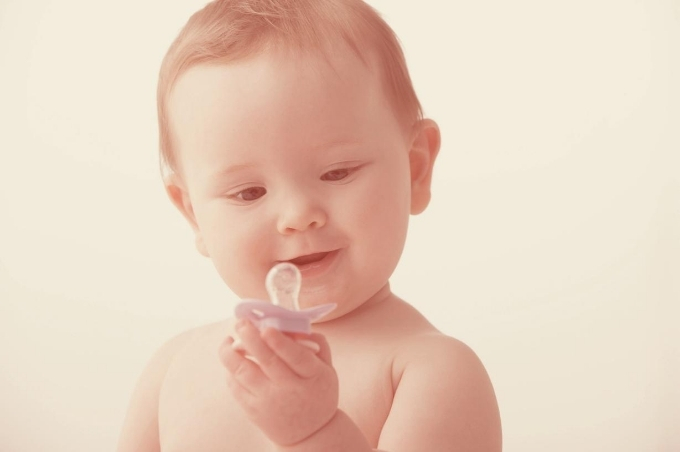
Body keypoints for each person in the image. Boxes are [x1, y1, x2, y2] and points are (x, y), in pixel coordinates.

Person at [117, 0, 502, 450]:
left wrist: (315, 432)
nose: (298, 215)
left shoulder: (430, 373)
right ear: (193, 214)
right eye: (248, 193)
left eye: (337, 172)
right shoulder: (172, 370)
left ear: (415, 169)